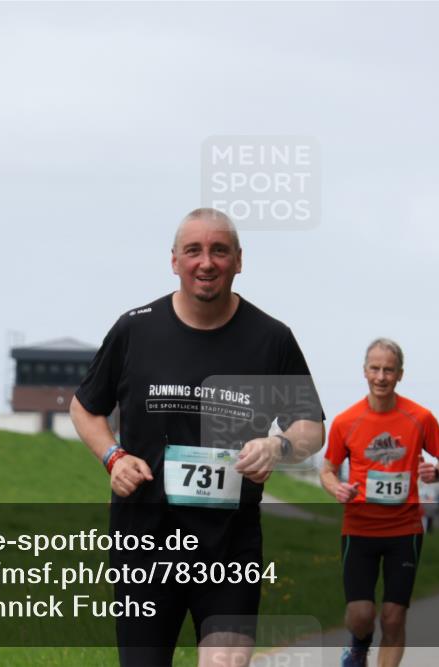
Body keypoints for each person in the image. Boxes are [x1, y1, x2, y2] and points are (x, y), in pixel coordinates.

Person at [71, 208, 325, 667]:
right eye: (194, 251)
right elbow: (85, 407)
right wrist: (113, 457)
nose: (206, 262)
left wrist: (278, 445)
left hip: (230, 544)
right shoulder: (135, 330)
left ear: (239, 260)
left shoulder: (271, 338)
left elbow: (311, 427)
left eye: (219, 251)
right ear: (174, 261)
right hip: (145, 542)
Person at [321, 338, 439, 667]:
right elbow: (327, 469)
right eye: (375, 369)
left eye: (389, 370)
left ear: (400, 375)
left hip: (404, 529)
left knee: (394, 617)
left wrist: (437, 471)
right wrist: (336, 488)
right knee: (361, 614)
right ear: (364, 371)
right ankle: (358, 644)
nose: (381, 377)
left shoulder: (419, 417)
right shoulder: (345, 421)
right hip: (359, 528)